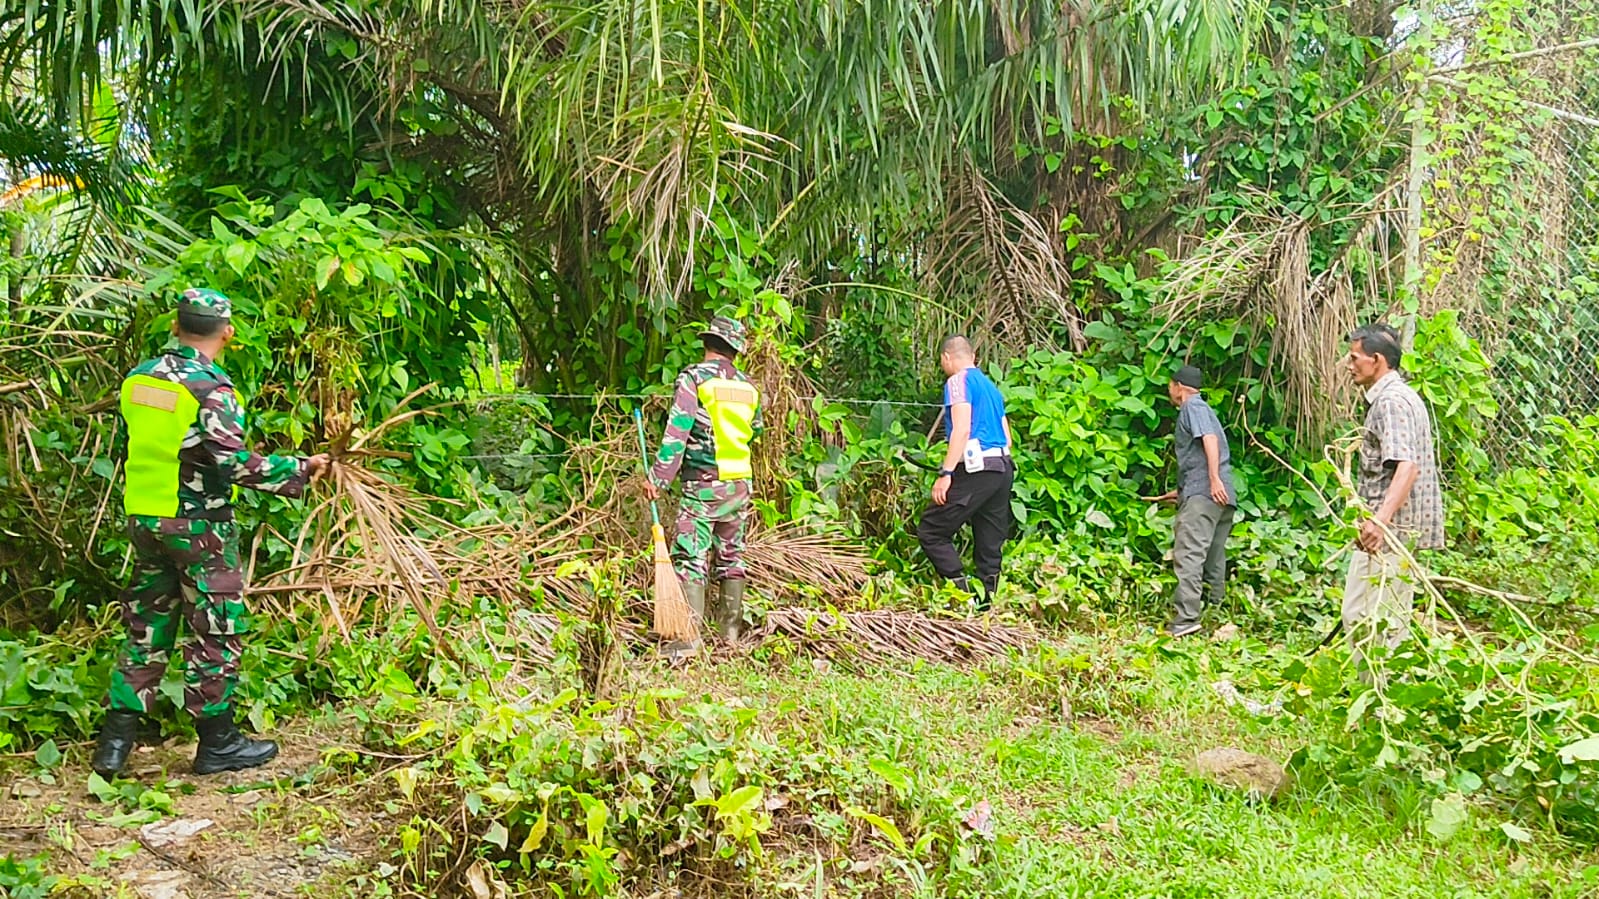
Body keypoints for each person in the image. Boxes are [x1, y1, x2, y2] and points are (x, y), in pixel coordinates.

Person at [93, 288, 328, 779]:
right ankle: (217, 743)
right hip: (198, 526)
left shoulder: (139, 380)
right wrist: (301, 469)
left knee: (146, 627)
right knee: (216, 629)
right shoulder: (210, 389)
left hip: (145, 519)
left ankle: (113, 746)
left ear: (176, 327)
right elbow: (233, 462)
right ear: (227, 332)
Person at [644, 316, 763, 646]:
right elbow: (756, 429)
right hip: (739, 482)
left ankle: (687, 639)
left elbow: (677, 433)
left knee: (691, 557)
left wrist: (658, 478)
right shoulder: (748, 386)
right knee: (731, 556)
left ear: (707, 344)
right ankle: (730, 635)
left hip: (703, 484)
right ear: (734, 351)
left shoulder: (694, 379)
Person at [1343, 322, 1444, 660]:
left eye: (1355, 357)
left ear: (1377, 360)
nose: (1349, 363)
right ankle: (1375, 698)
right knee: (1375, 618)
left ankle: (1378, 702)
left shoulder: (1391, 403)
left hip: (1390, 534)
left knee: (1371, 620)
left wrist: (1379, 522)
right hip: (1391, 531)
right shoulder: (1398, 397)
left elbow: (1408, 465)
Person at [916, 336, 1015, 609]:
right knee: (989, 539)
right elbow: (1007, 438)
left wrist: (946, 472)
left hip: (977, 466)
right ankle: (988, 604)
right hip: (1003, 466)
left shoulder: (958, 381)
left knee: (932, 529)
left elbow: (961, 429)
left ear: (948, 358)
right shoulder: (991, 388)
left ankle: (963, 594)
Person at [1144, 365, 1237, 637]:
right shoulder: (1204, 409)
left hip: (1208, 490)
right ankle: (1215, 612)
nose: (1169, 391)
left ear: (1178, 386)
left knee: (1189, 554)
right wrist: (1182, 491)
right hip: (1220, 496)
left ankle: (1186, 619)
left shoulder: (1192, 407)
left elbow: (1208, 440)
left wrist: (1212, 479)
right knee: (1213, 556)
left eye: (1170, 386)